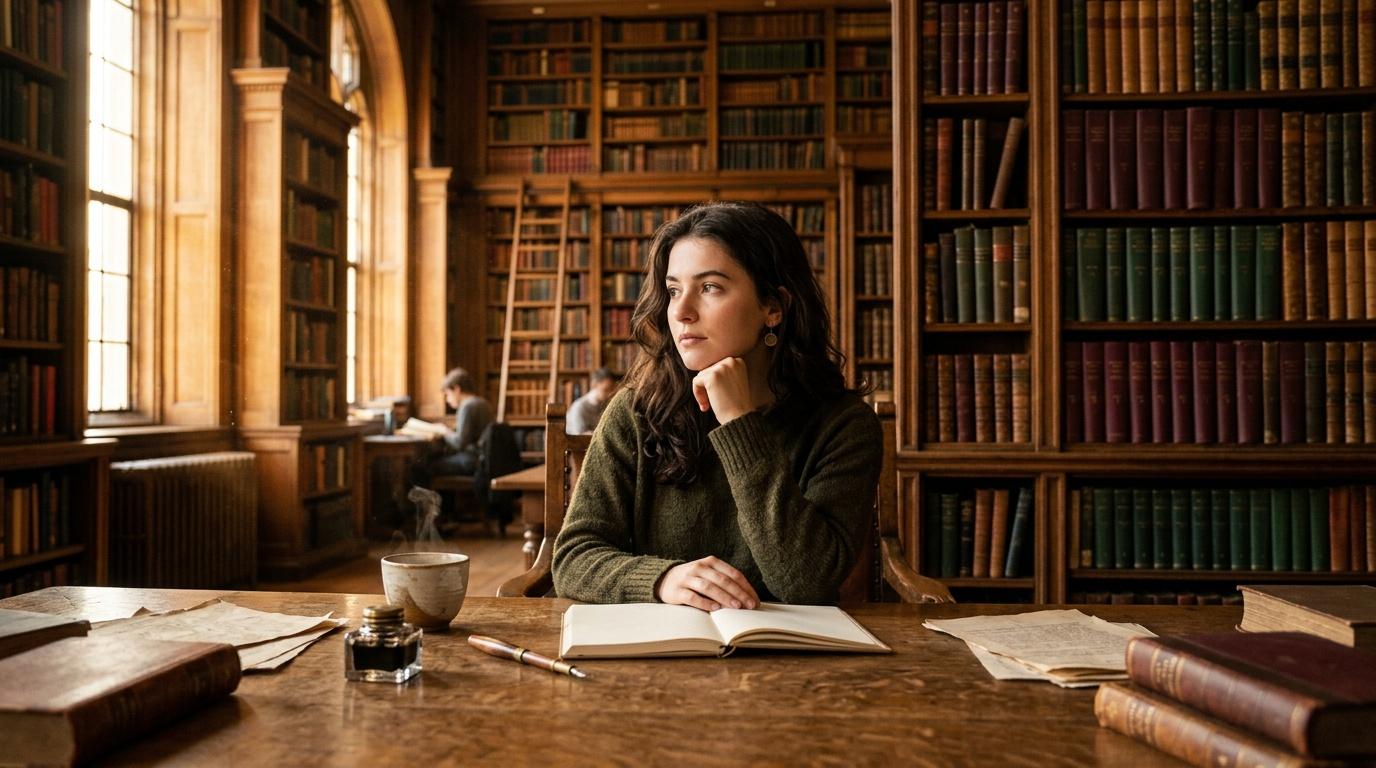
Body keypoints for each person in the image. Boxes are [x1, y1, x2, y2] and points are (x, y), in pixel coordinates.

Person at [552, 202, 882, 610]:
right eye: (673, 290)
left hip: (791, 661)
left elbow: (806, 583)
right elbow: (572, 558)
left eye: (710, 287)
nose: (682, 312)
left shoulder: (844, 427)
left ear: (773, 308)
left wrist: (739, 424)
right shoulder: (637, 411)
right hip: (657, 654)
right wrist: (661, 580)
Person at [432, 367, 493, 477]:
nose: (447, 399)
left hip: (471, 460)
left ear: (457, 389)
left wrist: (444, 431)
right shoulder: (483, 403)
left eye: (448, 394)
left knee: (425, 466)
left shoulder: (467, 406)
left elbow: (460, 443)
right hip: (484, 459)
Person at [565, 367, 619, 435]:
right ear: (594, 385)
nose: (610, 394)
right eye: (606, 390)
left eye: (612, 390)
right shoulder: (579, 407)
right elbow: (579, 437)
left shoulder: (607, 406)